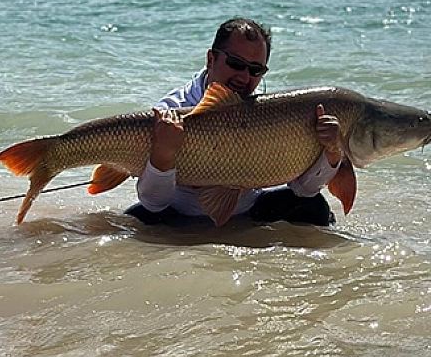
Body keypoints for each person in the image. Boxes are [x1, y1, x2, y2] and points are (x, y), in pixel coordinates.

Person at [126, 17, 342, 227]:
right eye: (236, 64)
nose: (244, 77)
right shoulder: (171, 112)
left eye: (255, 70)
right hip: (179, 216)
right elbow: (153, 203)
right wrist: (163, 155)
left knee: (316, 207)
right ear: (211, 59)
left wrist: (331, 152)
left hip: (249, 211)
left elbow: (304, 189)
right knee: (134, 222)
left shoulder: (270, 113)